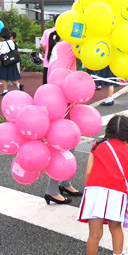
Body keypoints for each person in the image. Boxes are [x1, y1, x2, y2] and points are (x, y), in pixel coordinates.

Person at [77, 115, 128, 255]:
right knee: (116, 228)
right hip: (118, 193)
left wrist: (89, 190)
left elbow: (88, 172)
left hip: (95, 191)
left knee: (94, 234)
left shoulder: (97, 146)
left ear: (108, 130)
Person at [44, 30, 80, 205]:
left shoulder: (59, 45)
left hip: (60, 98)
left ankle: (65, 182)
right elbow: (93, 54)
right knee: (63, 142)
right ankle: (52, 189)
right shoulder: (68, 46)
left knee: (69, 141)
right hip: (61, 100)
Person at [0, 27, 24, 96]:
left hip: (6, 62)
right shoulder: (11, 42)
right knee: (12, 76)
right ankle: (19, 85)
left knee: (4, 77)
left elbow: (2, 53)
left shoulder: (4, 43)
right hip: (12, 61)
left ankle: (5, 90)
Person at [40, 15, 59, 84]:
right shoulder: (66, 34)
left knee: (47, 84)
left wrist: (46, 52)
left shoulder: (47, 32)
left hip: (48, 62)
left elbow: (42, 46)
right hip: (61, 64)